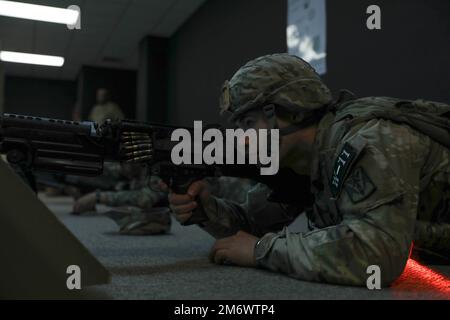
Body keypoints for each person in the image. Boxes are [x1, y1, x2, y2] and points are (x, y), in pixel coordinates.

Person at [166, 53, 450, 286]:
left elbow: (377, 254)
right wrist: (206, 210)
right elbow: (251, 225)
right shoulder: (303, 163)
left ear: (291, 111)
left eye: (249, 124)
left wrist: (261, 251)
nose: (242, 140)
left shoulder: (370, 140)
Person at [73, 163, 170, 235]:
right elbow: (108, 171)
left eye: (123, 161)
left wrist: (98, 197)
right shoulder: (132, 170)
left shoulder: (155, 170)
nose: (121, 166)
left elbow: (144, 199)